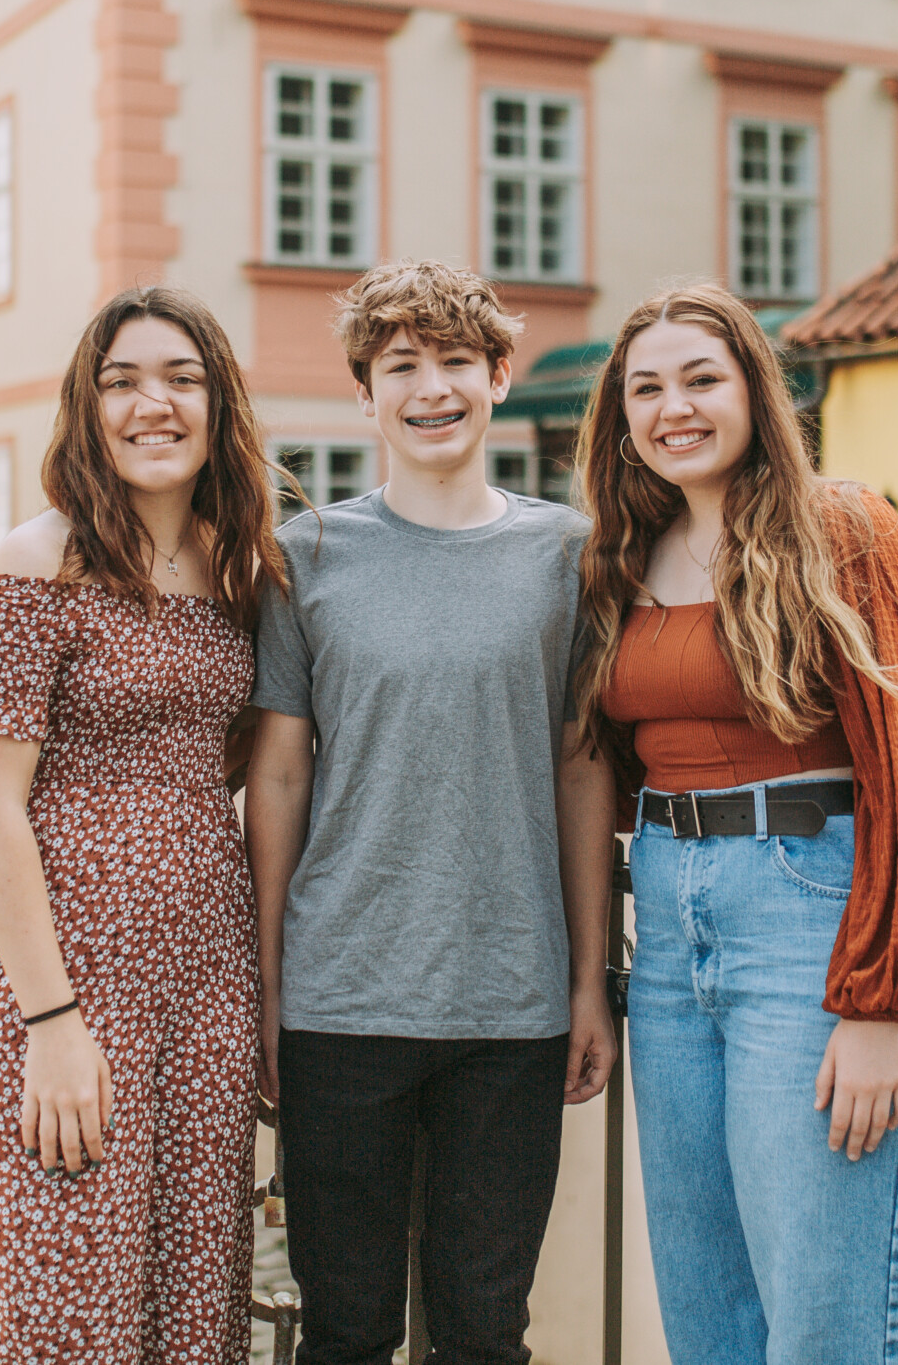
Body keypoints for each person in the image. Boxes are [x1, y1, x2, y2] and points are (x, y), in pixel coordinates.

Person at [571, 283, 898, 1365]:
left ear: (755, 387)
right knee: (710, 1319)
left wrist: (885, 1002)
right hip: (669, 935)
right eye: (645, 389)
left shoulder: (841, 529)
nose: (674, 408)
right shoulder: (622, 557)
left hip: (816, 918)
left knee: (834, 1327)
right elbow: (606, 771)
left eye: (701, 379)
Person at [244, 260, 618, 1365]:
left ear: (497, 375)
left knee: (483, 1332)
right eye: (401, 365)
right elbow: (277, 776)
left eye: (456, 360)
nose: (431, 388)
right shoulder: (305, 554)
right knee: (346, 1330)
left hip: (510, 1003)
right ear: (365, 395)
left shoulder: (567, 555)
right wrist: (266, 981)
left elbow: (582, 768)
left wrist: (591, 980)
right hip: (340, 1001)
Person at [0, 286, 289, 1363]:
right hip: (60, 997)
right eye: (122, 381)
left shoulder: (235, 565)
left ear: (218, 406)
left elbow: (237, 763)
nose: (155, 404)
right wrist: (50, 1024)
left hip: (204, 989)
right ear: (86, 410)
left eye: (182, 379)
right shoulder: (33, 562)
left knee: (192, 1320)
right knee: (66, 1323)